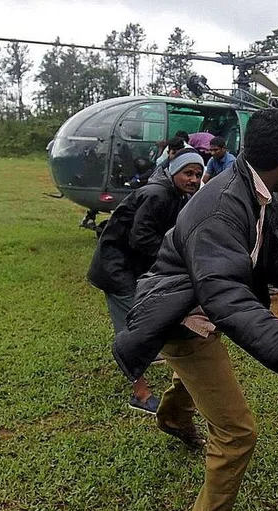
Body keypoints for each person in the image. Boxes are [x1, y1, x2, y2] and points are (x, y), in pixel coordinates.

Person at [113, 107, 278, 511]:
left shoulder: (256, 191)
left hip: (195, 309)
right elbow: (227, 298)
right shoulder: (220, 207)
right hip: (183, 318)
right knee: (236, 433)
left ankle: (171, 418)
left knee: (196, 382)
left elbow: (274, 253)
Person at [88, 148, 205, 414]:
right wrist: (175, 259)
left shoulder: (178, 195)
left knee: (152, 314)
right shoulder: (157, 194)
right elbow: (140, 239)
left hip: (134, 267)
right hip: (116, 268)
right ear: (174, 171)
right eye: (188, 173)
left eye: (198, 174)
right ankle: (139, 394)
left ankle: (150, 354)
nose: (194, 179)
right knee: (134, 327)